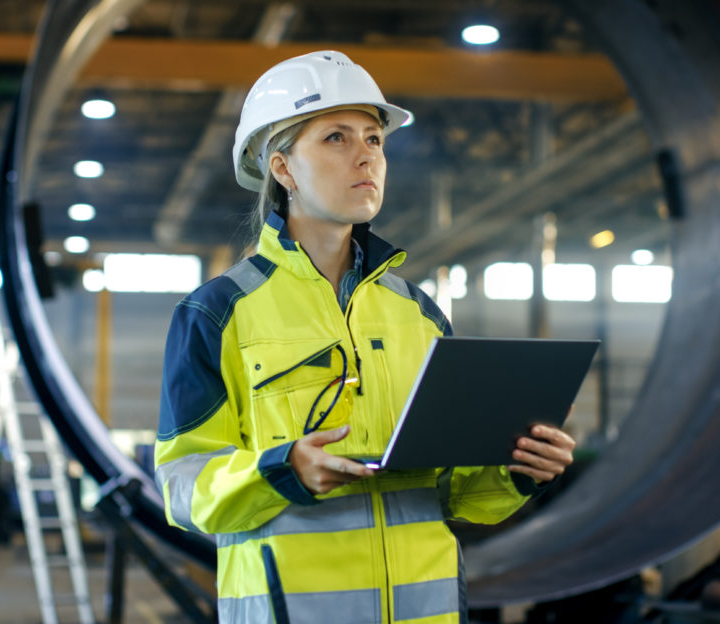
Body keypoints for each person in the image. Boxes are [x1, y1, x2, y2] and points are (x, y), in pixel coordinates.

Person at [155, 50, 576, 624]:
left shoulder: (419, 314)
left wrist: (518, 469)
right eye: (335, 138)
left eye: (374, 139)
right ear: (282, 169)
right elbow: (183, 488)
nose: (366, 157)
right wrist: (285, 470)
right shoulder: (217, 314)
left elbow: (454, 492)